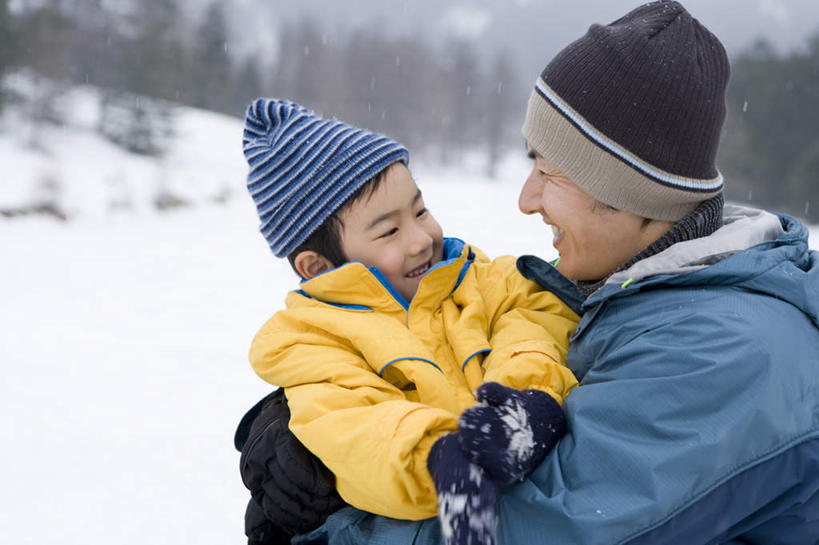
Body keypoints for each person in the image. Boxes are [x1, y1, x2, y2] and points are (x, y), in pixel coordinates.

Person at [282, 1, 819, 543]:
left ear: (630, 193)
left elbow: (520, 530)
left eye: (549, 171)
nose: (525, 198)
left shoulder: (720, 353)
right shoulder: (640, 296)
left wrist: (328, 524)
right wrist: (333, 425)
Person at [237, 98, 582, 545]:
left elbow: (536, 316)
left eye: (419, 211)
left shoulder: (483, 279)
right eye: (388, 231)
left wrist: (523, 399)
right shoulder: (311, 344)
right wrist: (442, 460)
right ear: (318, 267)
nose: (421, 239)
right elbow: (354, 434)